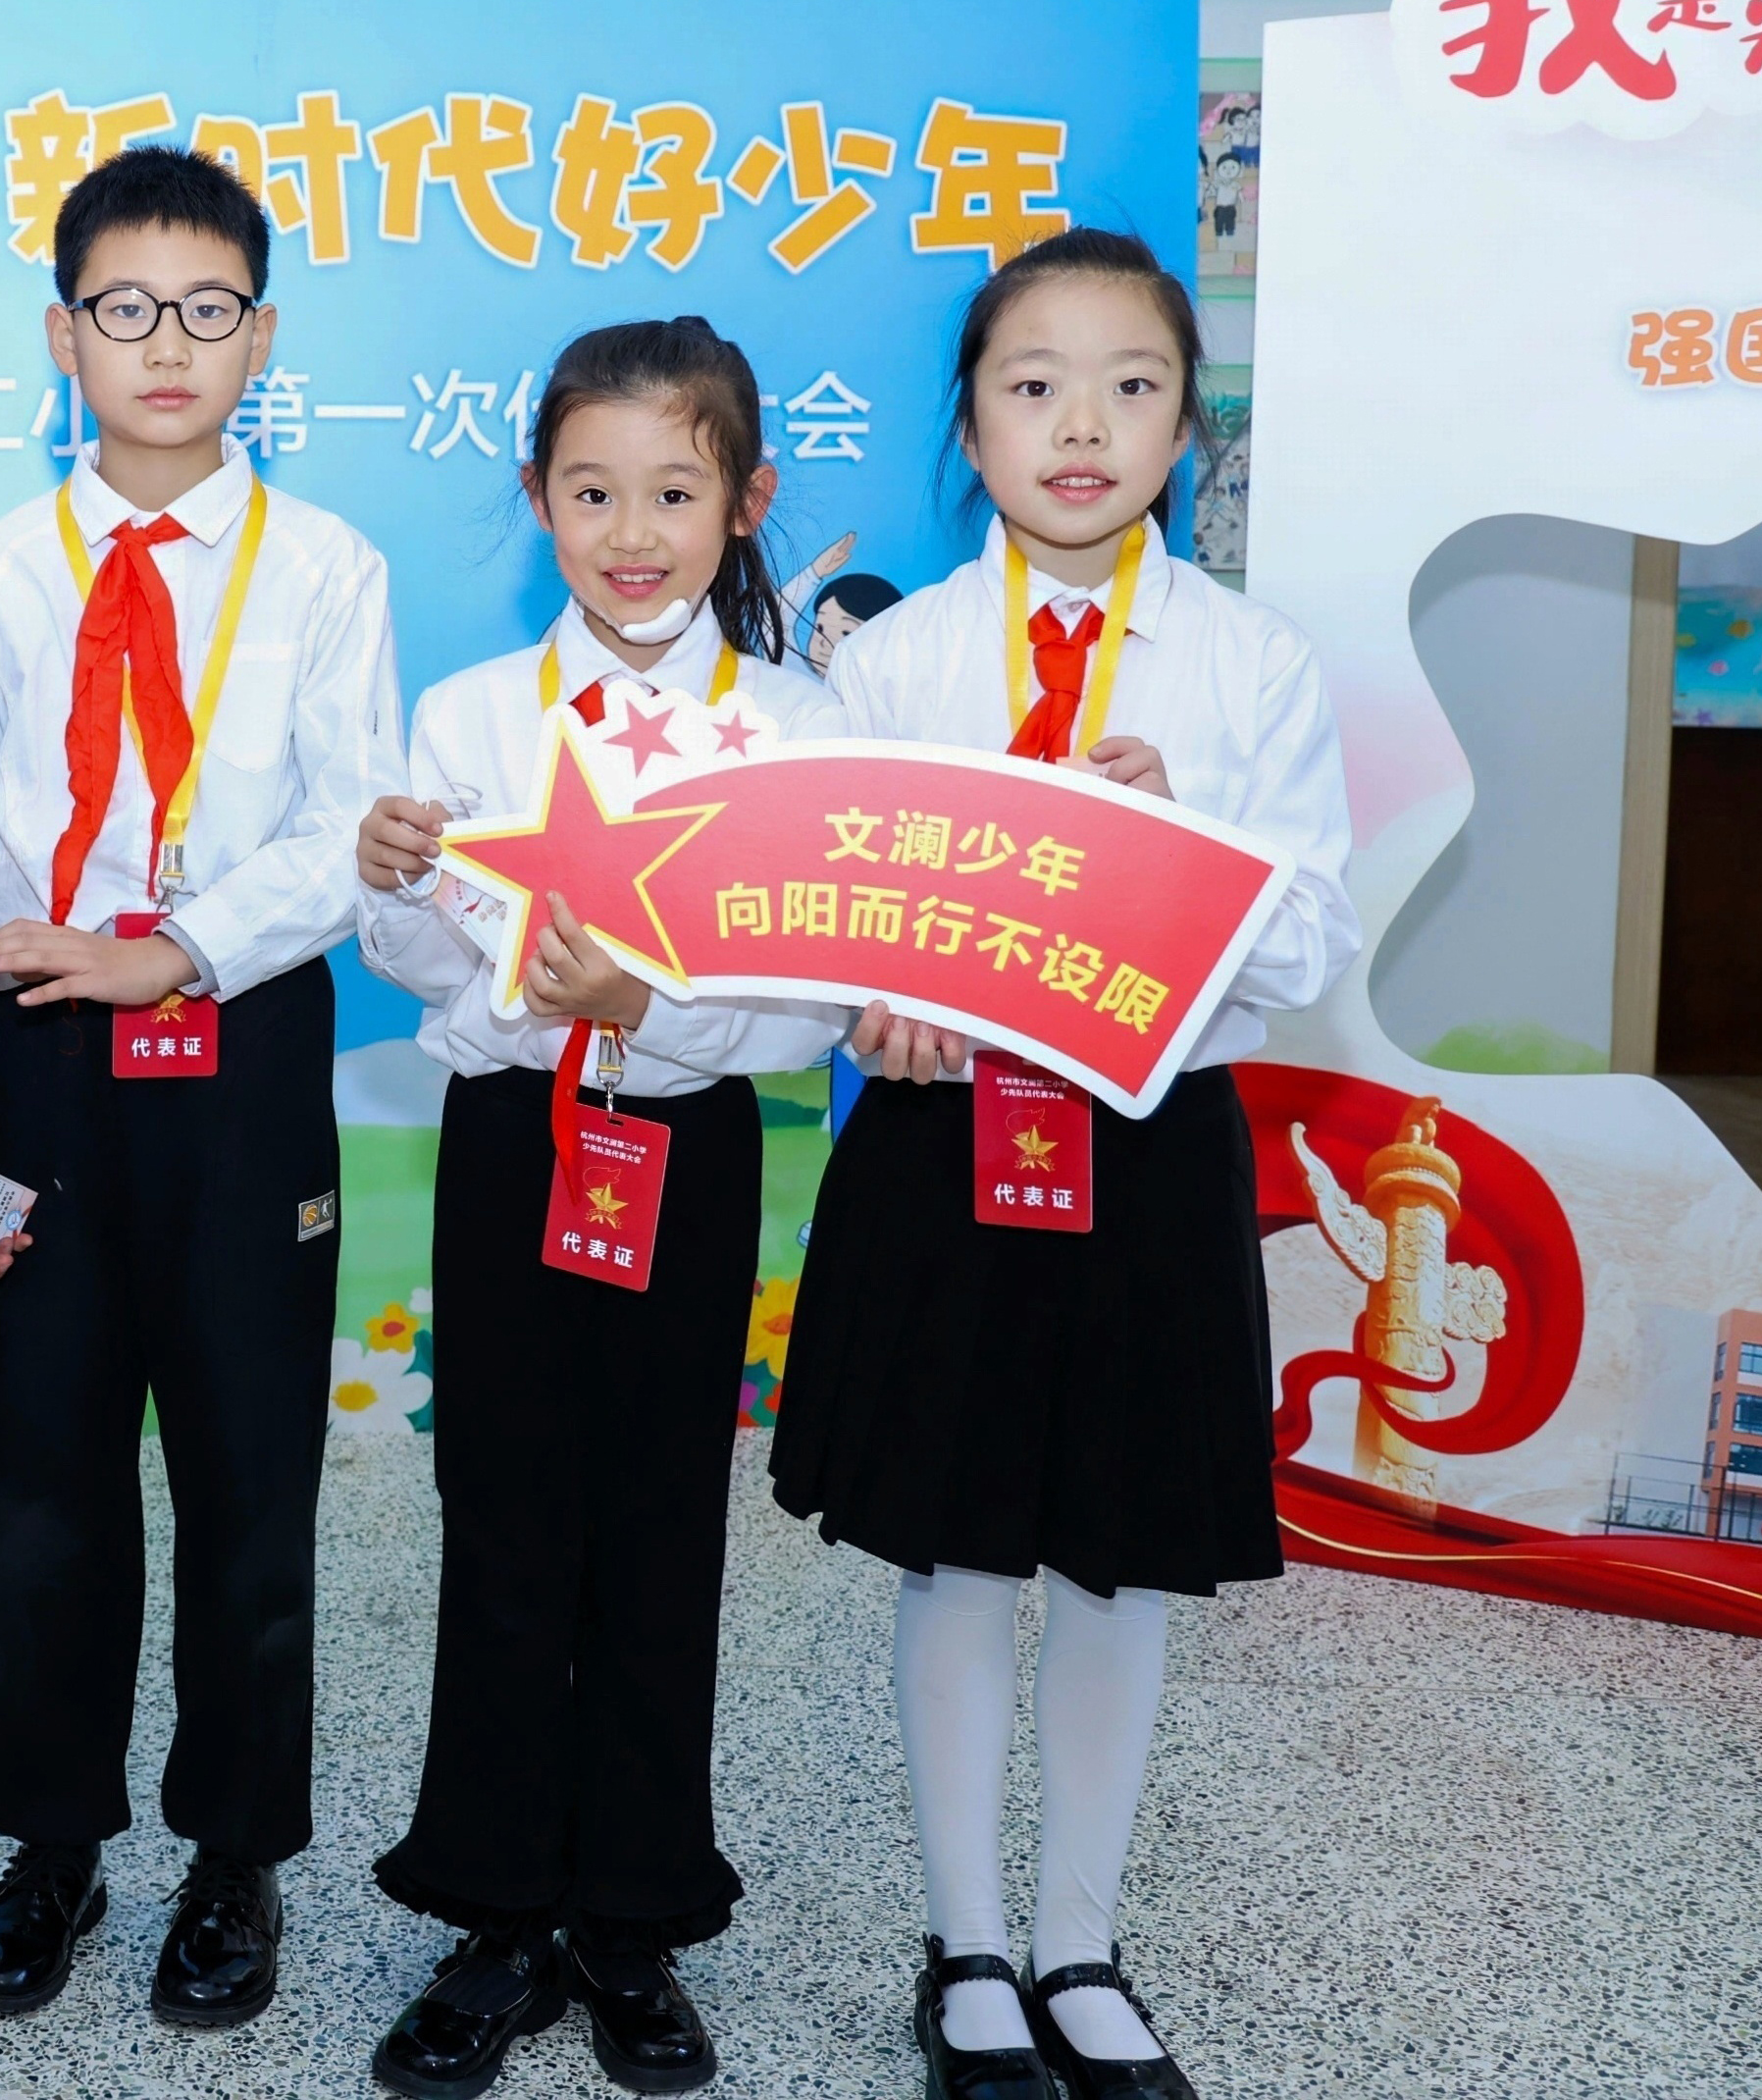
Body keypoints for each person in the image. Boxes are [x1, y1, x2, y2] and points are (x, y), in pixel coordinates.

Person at [769, 228, 1357, 2100]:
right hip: (936, 1148)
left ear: (1186, 427)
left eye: (1128, 385)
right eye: (1031, 386)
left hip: (1146, 1150)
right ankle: (963, 1947)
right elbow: (823, 919)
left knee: (1119, 1566)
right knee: (951, 1558)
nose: (1079, 425)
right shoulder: (895, 661)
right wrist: (869, 1008)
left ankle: (1080, 1947)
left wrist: (1189, 860)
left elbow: (1308, 943)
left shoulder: (1248, 666)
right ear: (969, 426)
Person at [349, 318, 846, 2100]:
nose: (630, 534)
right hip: (509, 1143)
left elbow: (807, 1007)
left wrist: (650, 1008)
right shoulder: (475, 714)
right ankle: (491, 1911)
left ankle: (632, 1917)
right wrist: (394, 884)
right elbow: (416, 964)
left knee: (657, 1526)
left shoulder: (795, 728)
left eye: (672, 493)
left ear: (743, 501)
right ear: (537, 497)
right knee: (499, 1517)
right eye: (589, 493)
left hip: (684, 1155)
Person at [0, 145, 401, 2030]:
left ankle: (233, 1855)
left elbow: (347, 829)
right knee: (35, 1478)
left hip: (240, 1048)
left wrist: (180, 943)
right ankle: (49, 1845)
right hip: (29, 1047)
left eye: (204, 310)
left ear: (257, 339)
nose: (163, 345)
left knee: (245, 1474)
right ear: (60, 335)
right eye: (122, 308)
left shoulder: (326, 568)